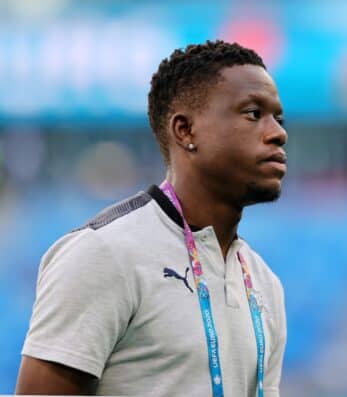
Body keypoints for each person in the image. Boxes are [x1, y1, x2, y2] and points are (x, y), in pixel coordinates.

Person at [16, 40, 288, 396]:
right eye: (253, 114)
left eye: (278, 119)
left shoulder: (264, 282)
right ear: (185, 131)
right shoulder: (104, 253)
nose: (278, 133)